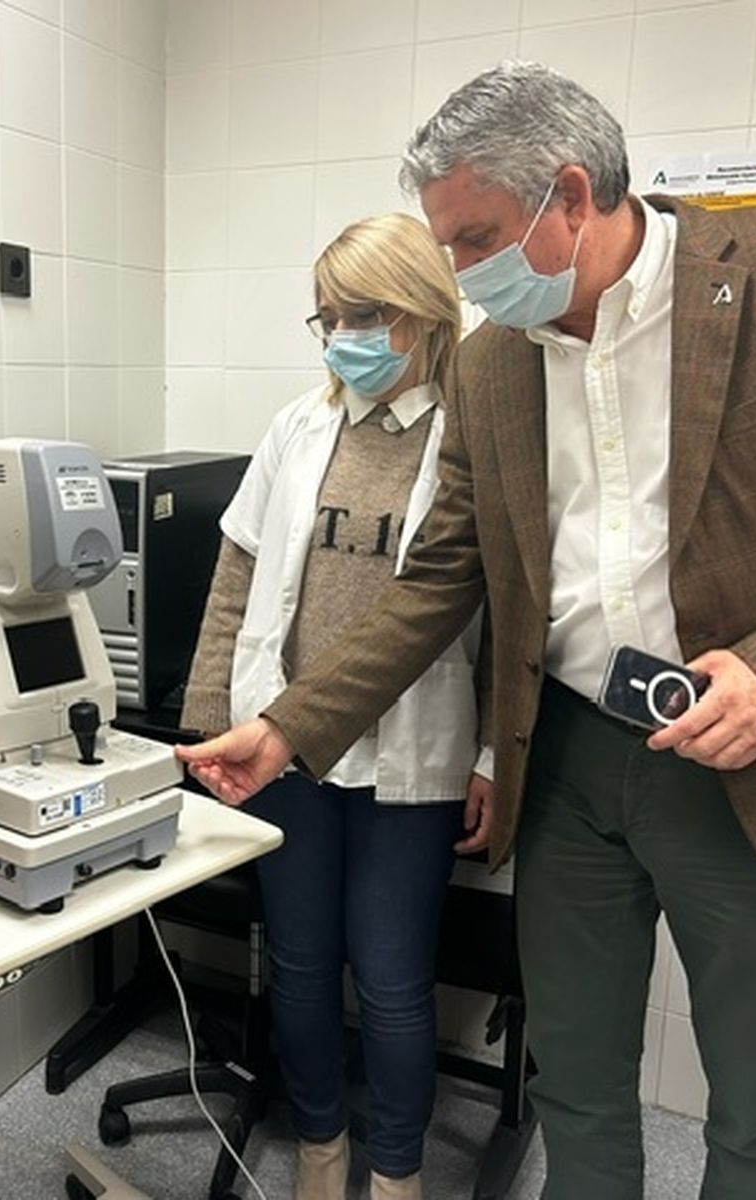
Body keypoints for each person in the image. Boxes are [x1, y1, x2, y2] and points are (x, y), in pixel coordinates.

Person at [179, 62, 756, 1200]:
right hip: (567, 763)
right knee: (576, 1086)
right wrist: (287, 727)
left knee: (755, 1114)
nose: (456, 276)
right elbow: (438, 580)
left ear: (570, 196)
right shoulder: (491, 361)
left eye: (475, 240)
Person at [182, 213, 478, 1200]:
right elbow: (237, 581)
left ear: (426, 314)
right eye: (330, 315)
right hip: (287, 753)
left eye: (366, 313)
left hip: (411, 755)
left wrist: (488, 764)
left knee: (392, 982)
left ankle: (395, 1172)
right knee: (302, 965)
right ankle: (321, 1147)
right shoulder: (299, 427)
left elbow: (511, 617)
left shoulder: (472, 436)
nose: (343, 333)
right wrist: (206, 718)